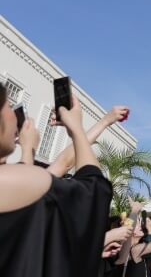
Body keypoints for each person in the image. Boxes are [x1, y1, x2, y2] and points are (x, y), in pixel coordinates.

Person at [0, 89, 113, 276]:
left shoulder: (18, 182)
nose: (15, 115)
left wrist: (29, 150)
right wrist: (76, 129)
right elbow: (93, 191)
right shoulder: (13, 181)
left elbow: (60, 165)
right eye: (9, 107)